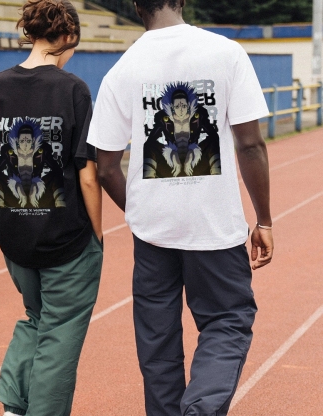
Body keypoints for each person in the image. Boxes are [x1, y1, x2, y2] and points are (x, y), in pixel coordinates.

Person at [86, 0, 274, 415]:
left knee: (157, 341)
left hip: (152, 232)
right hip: (215, 227)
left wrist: (139, 211)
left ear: (137, 6)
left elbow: (106, 167)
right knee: (227, 320)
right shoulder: (226, 53)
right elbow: (250, 144)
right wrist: (264, 220)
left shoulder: (121, 70)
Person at [0, 1, 103, 415]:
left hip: (12, 234)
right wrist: (97, 233)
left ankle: (12, 407)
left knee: (36, 316)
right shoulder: (73, 89)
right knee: (61, 332)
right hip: (65, 238)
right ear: (68, 36)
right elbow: (88, 174)